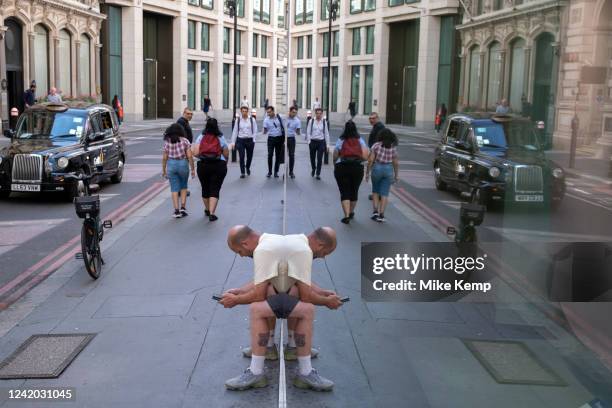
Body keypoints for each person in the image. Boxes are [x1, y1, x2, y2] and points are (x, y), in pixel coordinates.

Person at [221, 225, 342, 391]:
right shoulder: (296, 243)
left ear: (244, 243)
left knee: (286, 304)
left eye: (238, 252)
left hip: (287, 291)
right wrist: (239, 292)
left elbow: (301, 287)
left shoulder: (270, 246)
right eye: (326, 253)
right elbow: (265, 280)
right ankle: (276, 349)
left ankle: (289, 367)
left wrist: (235, 300)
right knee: (273, 295)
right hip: (280, 289)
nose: (241, 256)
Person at [191, 118, 230, 221]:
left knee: (205, 188)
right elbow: (226, 153)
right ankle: (212, 213)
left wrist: (203, 156)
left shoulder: (201, 137)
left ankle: (207, 209)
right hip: (218, 165)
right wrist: (226, 160)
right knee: (215, 189)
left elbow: (195, 153)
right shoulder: (220, 137)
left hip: (203, 165)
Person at [333, 121, 369, 224]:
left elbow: (335, 154)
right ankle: (351, 212)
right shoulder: (360, 140)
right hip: (357, 168)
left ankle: (346, 215)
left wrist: (335, 163)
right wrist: (357, 160)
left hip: (342, 167)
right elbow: (365, 156)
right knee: (354, 191)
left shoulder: (341, 140)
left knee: (344, 191)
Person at [161, 124, 195, 218]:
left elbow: (164, 158)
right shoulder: (185, 141)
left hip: (171, 165)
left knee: (174, 188)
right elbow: (189, 156)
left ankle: (176, 211)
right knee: (184, 186)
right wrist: (192, 169)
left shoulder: (167, 142)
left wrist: (164, 170)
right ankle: (183, 208)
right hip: (183, 163)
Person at [366, 128, 399, 223]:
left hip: (377, 167)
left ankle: (375, 212)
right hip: (388, 169)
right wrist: (396, 175)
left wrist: (367, 172)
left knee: (375, 190)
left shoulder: (376, 145)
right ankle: (381, 215)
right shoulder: (393, 147)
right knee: (385, 193)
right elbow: (396, 163)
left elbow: (371, 160)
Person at [231, 105, 258, 178]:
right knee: (241, 156)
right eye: (243, 111)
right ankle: (242, 172)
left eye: (245, 111)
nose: (244, 113)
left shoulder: (252, 119)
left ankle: (247, 167)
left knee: (249, 157)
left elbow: (255, 130)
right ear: (241, 111)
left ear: (247, 111)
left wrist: (254, 140)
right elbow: (235, 131)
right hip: (241, 140)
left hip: (250, 140)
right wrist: (233, 142)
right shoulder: (238, 120)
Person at [306, 108, 329, 180]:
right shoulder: (311, 121)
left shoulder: (324, 122)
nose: (319, 115)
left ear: (322, 114)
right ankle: (313, 168)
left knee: (319, 159)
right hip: (313, 141)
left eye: (320, 113)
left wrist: (327, 145)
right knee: (312, 158)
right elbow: (308, 132)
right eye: (317, 113)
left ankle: (318, 173)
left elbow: (326, 134)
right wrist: (309, 142)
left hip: (321, 142)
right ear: (315, 113)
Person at [263, 106, 285, 178]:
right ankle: (269, 171)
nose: (268, 113)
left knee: (278, 156)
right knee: (270, 155)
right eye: (267, 112)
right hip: (271, 138)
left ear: (273, 111)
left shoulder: (279, 117)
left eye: (269, 112)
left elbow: (284, 126)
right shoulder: (266, 120)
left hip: (279, 138)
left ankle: (276, 172)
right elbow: (265, 131)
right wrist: (264, 131)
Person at [285, 106, 301, 179]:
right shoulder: (284, 119)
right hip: (283, 139)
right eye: (293, 112)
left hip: (291, 139)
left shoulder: (297, 121)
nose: (294, 114)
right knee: (283, 156)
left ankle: (291, 172)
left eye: (295, 113)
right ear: (290, 111)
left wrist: (298, 131)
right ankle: (283, 171)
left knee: (291, 155)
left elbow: (298, 132)